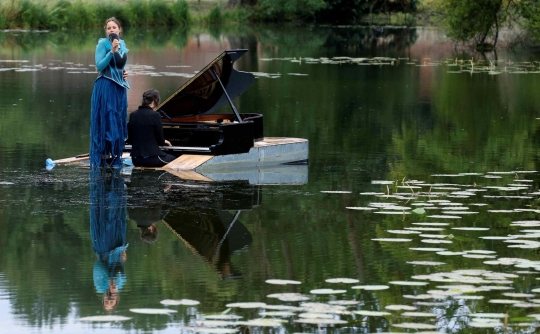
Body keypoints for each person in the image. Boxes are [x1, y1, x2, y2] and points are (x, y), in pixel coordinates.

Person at [90, 17, 130, 168]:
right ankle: (103, 154)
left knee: (118, 119)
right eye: (108, 28)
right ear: (106, 31)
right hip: (105, 86)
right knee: (106, 119)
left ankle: (116, 155)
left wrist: (125, 73)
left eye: (114, 27)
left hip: (119, 88)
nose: (111, 30)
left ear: (119, 29)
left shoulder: (123, 44)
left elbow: (120, 65)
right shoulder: (103, 44)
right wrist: (111, 52)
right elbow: (100, 66)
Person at [127, 89, 176, 167]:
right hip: (152, 159)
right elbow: (160, 140)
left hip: (136, 160)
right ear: (154, 101)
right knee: (175, 158)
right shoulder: (155, 115)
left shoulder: (133, 115)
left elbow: (130, 139)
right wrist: (164, 141)